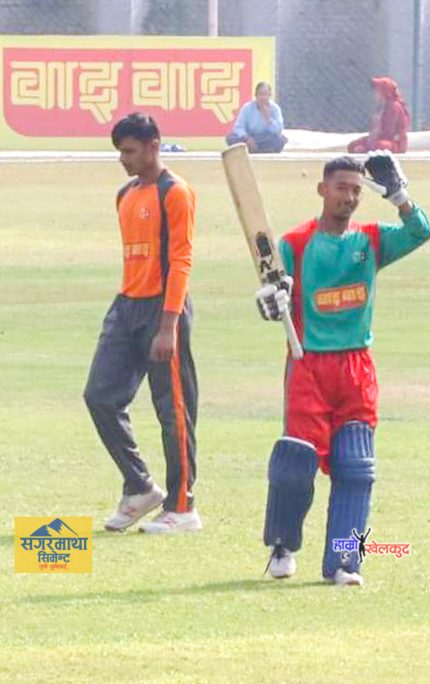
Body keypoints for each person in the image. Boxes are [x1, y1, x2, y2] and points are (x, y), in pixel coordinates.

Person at [256, 150, 430, 587]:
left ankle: (344, 561)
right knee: (296, 465)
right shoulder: (295, 244)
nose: (349, 197)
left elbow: (420, 231)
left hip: (356, 367)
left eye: (356, 190)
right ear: (322, 189)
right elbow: (273, 295)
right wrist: (270, 303)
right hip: (308, 364)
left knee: (356, 466)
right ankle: (282, 546)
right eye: (341, 188)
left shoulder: (371, 240)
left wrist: (400, 196)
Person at [84, 113, 200, 534]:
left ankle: (182, 508)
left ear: (154, 146)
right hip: (127, 306)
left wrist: (168, 326)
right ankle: (139, 487)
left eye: (130, 151)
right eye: (119, 151)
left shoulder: (176, 192)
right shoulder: (125, 195)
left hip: (163, 309)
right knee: (100, 396)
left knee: (173, 410)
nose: (123, 159)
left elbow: (180, 259)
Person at [347, 77, 411, 154]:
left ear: (385, 91)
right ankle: (366, 149)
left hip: (393, 143)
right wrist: (369, 140)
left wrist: (369, 144)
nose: (375, 93)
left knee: (378, 146)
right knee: (352, 145)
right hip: (376, 139)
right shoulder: (381, 106)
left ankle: (366, 149)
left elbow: (388, 132)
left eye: (377, 90)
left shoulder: (394, 106)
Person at [226, 82, 287, 153]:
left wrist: (268, 118)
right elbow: (238, 127)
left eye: (265, 94)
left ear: (269, 95)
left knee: (279, 140)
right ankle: (255, 149)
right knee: (231, 138)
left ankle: (254, 150)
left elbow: (278, 130)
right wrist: (247, 138)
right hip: (249, 137)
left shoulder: (275, 109)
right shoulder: (247, 108)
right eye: (260, 94)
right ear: (256, 95)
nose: (263, 98)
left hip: (265, 138)